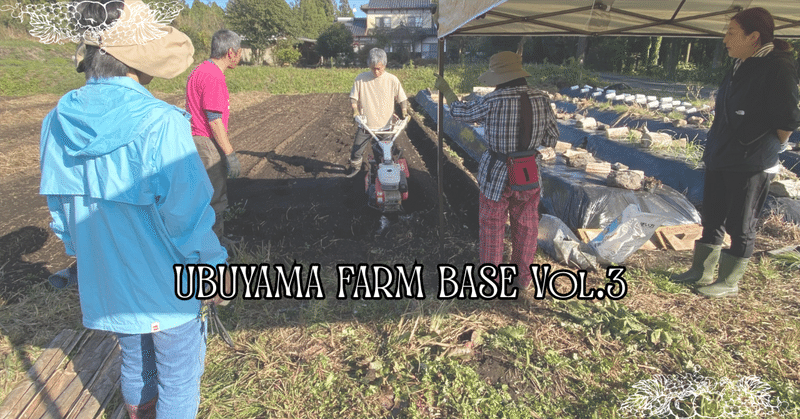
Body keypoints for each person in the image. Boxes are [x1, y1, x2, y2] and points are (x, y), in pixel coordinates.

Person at [39, 1, 227, 417]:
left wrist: (82, 253)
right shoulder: (161, 123)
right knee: (178, 374)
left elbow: (61, 210)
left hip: (107, 281)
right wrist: (212, 270)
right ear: (138, 62)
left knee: (135, 359)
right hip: (166, 286)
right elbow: (188, 217)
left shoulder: (56, 121)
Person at [670, 7, 800, 298]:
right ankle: (701, 270)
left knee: (741, 224)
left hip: (751, 159)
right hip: (722, 152)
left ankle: (729, 281)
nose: (725, 39)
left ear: (753, 37)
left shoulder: (777, 67)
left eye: (731, 33)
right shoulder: (742, 62)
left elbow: (788, 120)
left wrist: (768, 148)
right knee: (713, 216)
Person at [435, 51, 559, 288]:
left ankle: (492, 280)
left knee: (492, 227)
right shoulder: (542, 98)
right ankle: (522, 278)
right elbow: (552, 138)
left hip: (497, 172)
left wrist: (447, 91)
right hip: (529, 171)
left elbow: (460, 112)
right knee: (526, 226)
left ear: (499, 78)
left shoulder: (493, 100)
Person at [186, 29, 243, 245]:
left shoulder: (200, 70)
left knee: (201, 195)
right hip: (207, 143)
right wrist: (229, 154)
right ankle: (214, 246)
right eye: (239, 52)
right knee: (214, 196)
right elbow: (214, 120)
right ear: (230, 53)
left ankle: (212, 240)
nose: (239, 56)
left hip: (196, 139)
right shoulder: (214, 76)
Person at [345, 48, 409, 178]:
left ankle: (380, 173)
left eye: (379, 68)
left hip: (385, 126)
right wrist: (355, 111)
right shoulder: (361, 79)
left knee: (383, 154)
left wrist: (404, 112)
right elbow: (353, 97)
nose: (376, 71)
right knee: (356, 151)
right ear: (369, 65)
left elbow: (402, 98)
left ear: (384, 65)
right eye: (373, 68)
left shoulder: (392, 80)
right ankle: (356, 168)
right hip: (366, 125)